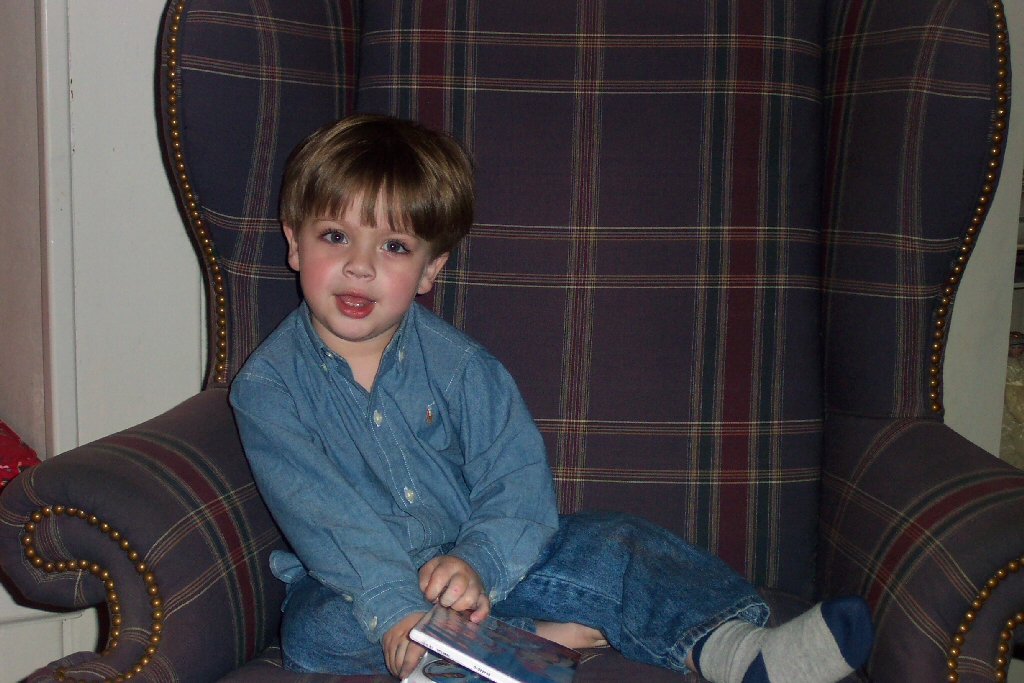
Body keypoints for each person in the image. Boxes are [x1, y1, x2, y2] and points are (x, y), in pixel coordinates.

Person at [229, 113, 874, 683]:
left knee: (617, 542)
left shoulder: (462, 368)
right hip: (358, 585)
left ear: (430, 270)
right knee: (312, 630)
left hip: (490, 569)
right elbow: (324, 517)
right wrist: (397, 607)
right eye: (335, 236)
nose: (360, 265)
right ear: (294, 241)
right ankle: (530, 641)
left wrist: (477, 562)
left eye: (394, 246)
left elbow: (516, 480)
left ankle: (736, 652)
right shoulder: (268, 389)